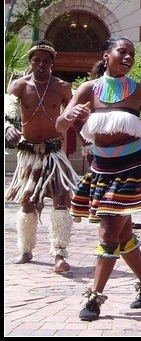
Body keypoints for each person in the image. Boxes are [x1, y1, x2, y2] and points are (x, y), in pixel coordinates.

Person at [56, 37, 141, 321]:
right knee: (121, 234)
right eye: (123, 52)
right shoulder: (89, 89)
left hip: (132, 171)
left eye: (132, 54)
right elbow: (59, 124)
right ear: (106, 54)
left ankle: (94, 298)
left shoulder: (140, 91)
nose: (128, 57)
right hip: (101, 170)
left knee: (109, 231)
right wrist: (70, 114)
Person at [4, 40, 79, 274]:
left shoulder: (62, 87)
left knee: (60, 199)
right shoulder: (18, 86)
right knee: (27, 203)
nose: (41, 65)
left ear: (52, 63)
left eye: (46, 61)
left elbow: (76, 112)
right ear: (31, 61)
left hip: (53, 154)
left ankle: (59, 253)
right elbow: (6, 114)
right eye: (36, 60)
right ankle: (26, 249)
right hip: (29, 154)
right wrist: (7, 126)